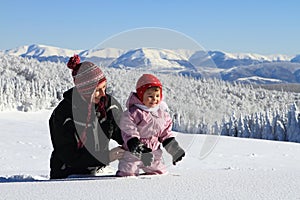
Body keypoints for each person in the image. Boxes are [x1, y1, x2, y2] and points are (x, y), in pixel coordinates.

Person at [49, 55, 125, 179]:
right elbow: (68, 156)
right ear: (84, 89)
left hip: (99, 170)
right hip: (67, 174)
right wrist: (106, 157)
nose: (103, 94)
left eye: (104, 87)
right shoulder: (63, 113)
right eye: (97, 90)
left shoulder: (109, 105)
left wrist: (136, 143)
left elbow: (124, 133)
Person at [116, 74, 185, 176]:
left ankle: (153, 189)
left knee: (159, 173)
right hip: (134, 152)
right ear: (140, 95)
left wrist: (174, 148)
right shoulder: (133, 113)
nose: (154, 99)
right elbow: (129, 130)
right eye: (150, 96)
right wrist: (137, 145)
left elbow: (165, 133)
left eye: (157, 96)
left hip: (153, 152)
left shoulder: (162, 114)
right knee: (127, 173)